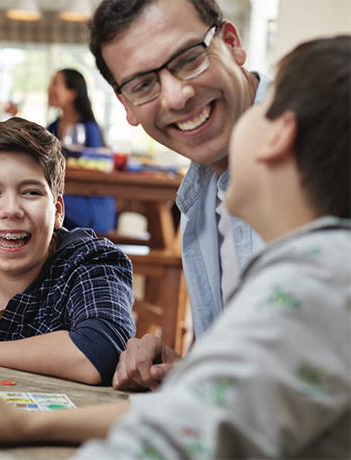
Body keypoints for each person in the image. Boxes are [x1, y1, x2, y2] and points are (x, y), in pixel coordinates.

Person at [0, 34, 351, 460]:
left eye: (259, 105)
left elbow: (161, 438)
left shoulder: (312, 283)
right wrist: (27, 423)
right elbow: (195, 414)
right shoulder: (303, 271)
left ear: (278, 134)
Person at [89, 0, 268, 391]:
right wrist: (188, 371)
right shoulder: (198, 197)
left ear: (233, 43)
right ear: (127, 106)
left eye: (188, 59)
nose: (175, 96)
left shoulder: (326, 143)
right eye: (143, 85)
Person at [0, 117, 135, 385]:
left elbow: (103, 350)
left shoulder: (92, 265)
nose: (11, 209)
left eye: (31, 192)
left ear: (58, 211)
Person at [47, 68, 116, 234]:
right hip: (64, 198)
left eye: (55, 83)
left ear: (72, 93)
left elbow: (96, 169)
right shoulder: (52, 127)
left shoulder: (90, 128)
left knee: (43, 201)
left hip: (90, 205)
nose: (49, 89)